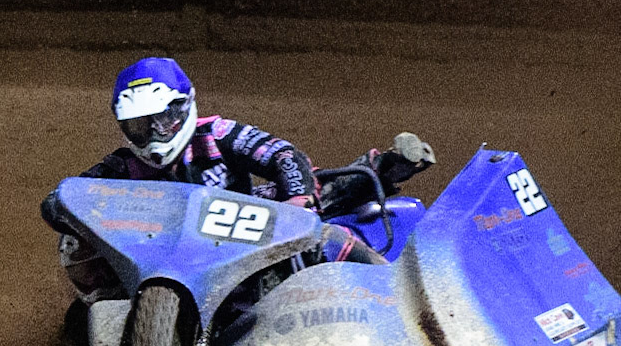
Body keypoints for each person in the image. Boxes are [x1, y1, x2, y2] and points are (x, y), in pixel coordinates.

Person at [40, 57, 434, 277]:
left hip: (245, 237)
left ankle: (395, 282)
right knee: (74, 243)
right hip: (165, 266)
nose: (156, 136)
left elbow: (283, 155)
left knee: (319, 230)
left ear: (186, 106)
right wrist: (61, 208)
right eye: (140, 127)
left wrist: (299, 204)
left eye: (164, 120)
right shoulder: (122, 168)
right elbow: (65, 197)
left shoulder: (217, 133)